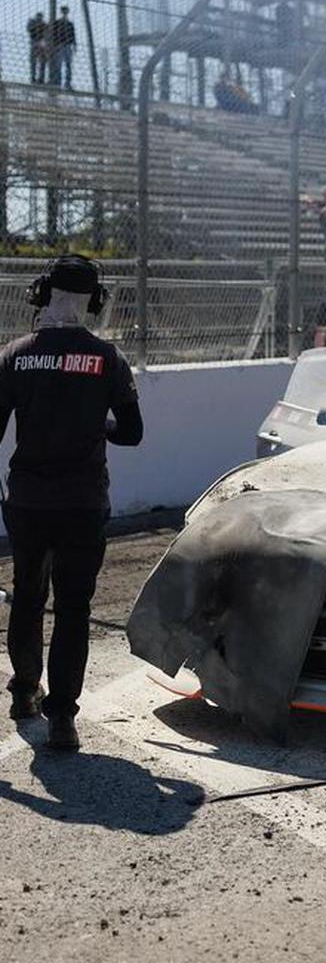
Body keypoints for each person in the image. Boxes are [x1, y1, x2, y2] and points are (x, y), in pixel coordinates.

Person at [0, 255, 143, 751]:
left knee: (27, 595)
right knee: (75, 608)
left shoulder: (15, 355)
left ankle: (23, 693)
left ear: (41, 295)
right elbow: (132, 433)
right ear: (95, 302)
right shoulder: (108, 358)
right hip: (83, 502)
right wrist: (93, 425)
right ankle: (62, 717)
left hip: (28, 502)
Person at [48, 5, 75, 89]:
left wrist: (74, 44)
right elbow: (54, 34)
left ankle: (67, 82)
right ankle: (57, 81)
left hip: (67, 45)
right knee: (58, 64)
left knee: (68, 65)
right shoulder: (57, 23)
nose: (65, 13)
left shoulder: (70, 24)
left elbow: (73, 35)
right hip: (60, 44)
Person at [26, 12, 46, 84]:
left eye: (40, 17)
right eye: (38, 17)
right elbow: (29, 29)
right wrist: (34, 24)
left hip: (41, 42)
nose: (39, 18)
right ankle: (33, 77)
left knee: (42, 61)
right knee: (33, 61)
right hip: (34, 41)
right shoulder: (32, 22)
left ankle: (41, 78)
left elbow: (46, 33)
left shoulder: (44, 24)